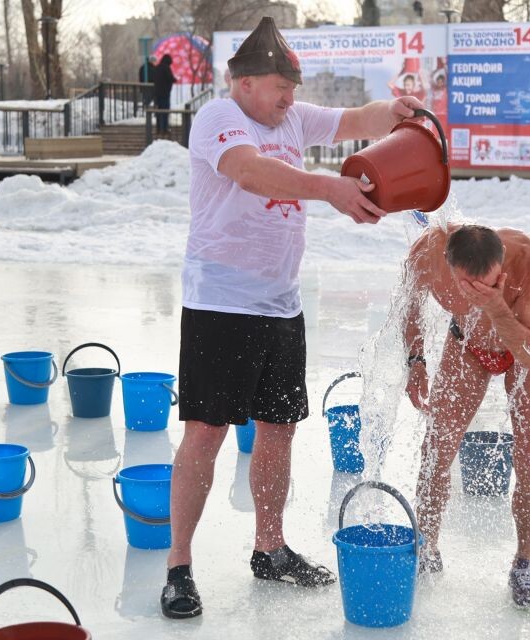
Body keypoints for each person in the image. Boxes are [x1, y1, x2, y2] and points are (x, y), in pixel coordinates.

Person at [161, 16, 425, 620]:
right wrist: (329, 188)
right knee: (207, 431)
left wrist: (396, 110)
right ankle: (179, 564)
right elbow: (250, 172)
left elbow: (355, 120)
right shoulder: (219, 119)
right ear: (245, 82)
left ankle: (270, 547)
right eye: (281, 86)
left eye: (292, 86)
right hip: (220, 303)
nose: (289, 98)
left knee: (280, 427)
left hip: (282, 306)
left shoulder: (293, 117)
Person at [402, 224, 530, 608]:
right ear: (450, 268)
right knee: (436, 447)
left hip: (525, 342)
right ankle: (427, 548)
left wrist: (496, 305)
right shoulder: (428, 253)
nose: (479, 292)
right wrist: (416, 359)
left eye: (490, 283)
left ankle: (524, 562)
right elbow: (409, 303)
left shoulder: (529, 257)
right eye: (470, 287)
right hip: (467, 345)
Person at [153, 54, 177, 133]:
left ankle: (158, 128)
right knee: (165, 111)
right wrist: (175, 79)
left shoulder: (157, 67)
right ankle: (164, 129)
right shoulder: (166, 68)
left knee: (159, 111)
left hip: (157, 93)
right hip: (165, 93)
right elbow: (170, 78)